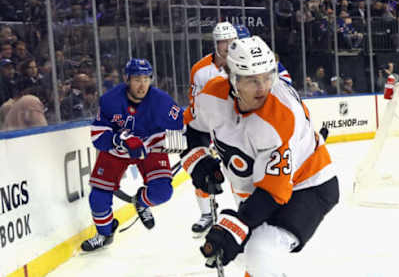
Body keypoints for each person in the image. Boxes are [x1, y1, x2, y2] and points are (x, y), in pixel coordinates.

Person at [180, 36, 339, 276]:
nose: (263, 87)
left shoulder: (280, 116)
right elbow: (194, 129)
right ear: (232, 78)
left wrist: (237, 223)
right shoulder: (211, 98)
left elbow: (274, 191)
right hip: (256, 189)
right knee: (243, 254)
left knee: (261, 252)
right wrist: (199, 160)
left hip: (308, 184)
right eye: (252, 80)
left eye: (267, 76)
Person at [81, 58, 186, 252]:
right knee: (98, 197)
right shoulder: (110, 100)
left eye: (146, 78)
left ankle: (141, 202)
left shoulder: (162, 101)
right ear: (126, 79)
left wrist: (201, 141)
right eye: (137, 78)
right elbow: (97, 136)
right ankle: (104, 234)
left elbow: (183, 125)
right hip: (117, 150)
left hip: (149, 147)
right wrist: (119, 140)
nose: (142, 84)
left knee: (162, 192)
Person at [184, 21, 238, 237]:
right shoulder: (200, 69)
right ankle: (206, 214)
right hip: (201, 127)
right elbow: (195, 104)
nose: (227, 46)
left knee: (237, 172)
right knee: (201, 173)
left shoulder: (241, 64)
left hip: (229, 127)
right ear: (216, 43)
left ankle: (242, 211)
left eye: (231, 41)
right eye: (223, 42)